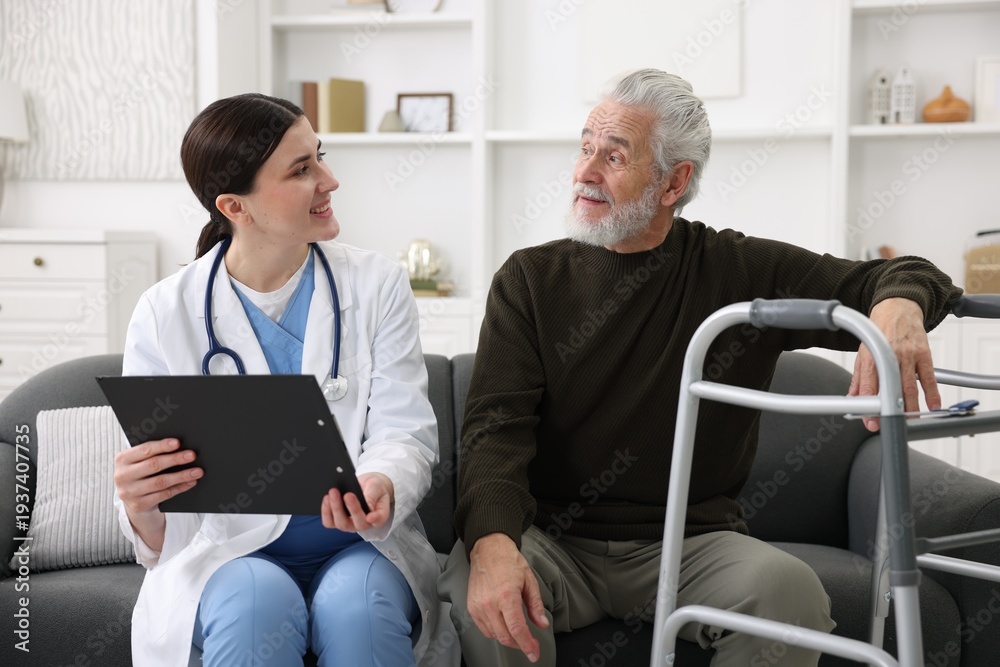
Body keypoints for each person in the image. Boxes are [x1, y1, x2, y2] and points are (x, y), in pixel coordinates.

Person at [436, 68, 964, 666]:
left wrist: (898, 304)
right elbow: (494, 429)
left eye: (614, 156)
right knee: (475, 593)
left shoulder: (736, 270)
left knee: (789, 596)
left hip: (692, 548)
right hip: (552, 542)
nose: (584, 172)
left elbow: (893, 276)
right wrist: (493, 542)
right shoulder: (530, 279)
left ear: (672, 183)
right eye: (585, 147)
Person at [112, 93, 454, 667]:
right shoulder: (164, 312)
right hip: (227, 554)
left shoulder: (377, 285)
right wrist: (141, 508)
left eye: (318, 156)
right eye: (302, 170)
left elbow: (403, 433)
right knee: (253, 605)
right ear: (235, 207)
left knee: (359, 608)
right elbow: (163, 503)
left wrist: (383, 484)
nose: (330, 180)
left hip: (362, 545)